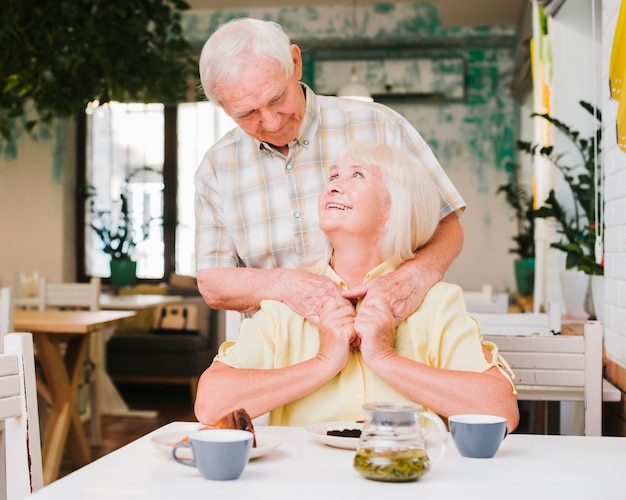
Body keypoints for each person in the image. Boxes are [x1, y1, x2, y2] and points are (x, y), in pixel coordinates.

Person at [195, 142, 519, 432]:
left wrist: (385, 358)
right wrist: (322, 363)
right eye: (333, 177)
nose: (334, 186)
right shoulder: (291, 302)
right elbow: (210, 405)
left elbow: (501, 411)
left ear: (393, 207)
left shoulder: (435, 302)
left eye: (357, 176)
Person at [194, 18, 466, 326]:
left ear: (295, 63)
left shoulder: (379, 125)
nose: (270, 123)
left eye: (277, 98)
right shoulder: (216, 168)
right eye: (247, 113)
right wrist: (284, 285)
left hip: (394, 335)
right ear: (224, 107)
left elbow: (447, 224)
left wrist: (415, 276)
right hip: (279, 353)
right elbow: (213, 281)